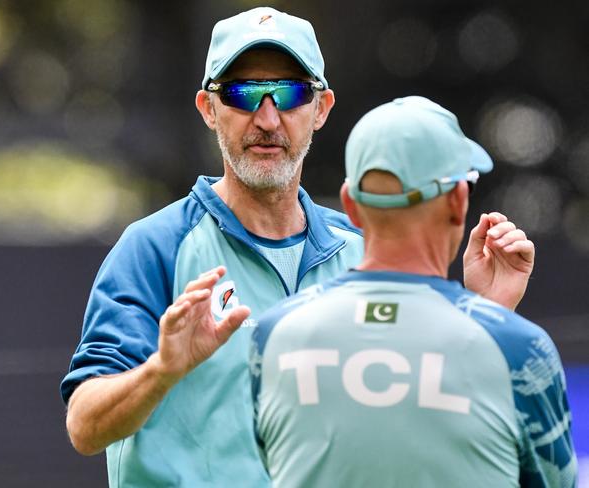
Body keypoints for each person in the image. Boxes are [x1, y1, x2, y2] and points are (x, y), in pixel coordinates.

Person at [61, 7, 535, 487]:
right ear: (209, 109)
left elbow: (416, 422)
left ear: (321, 108)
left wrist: (485, 314)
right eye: (244, 94)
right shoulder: (155, 247)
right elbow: (84, 426)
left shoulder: (364, 253)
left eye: (289, 94)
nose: (267, 119)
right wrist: (163, 370)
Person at [250, 96, 577, 488]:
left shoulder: (274, 334)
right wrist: (492, 320)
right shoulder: (518, 349)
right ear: (459, 200)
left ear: (351, 205)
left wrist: (486, 314)